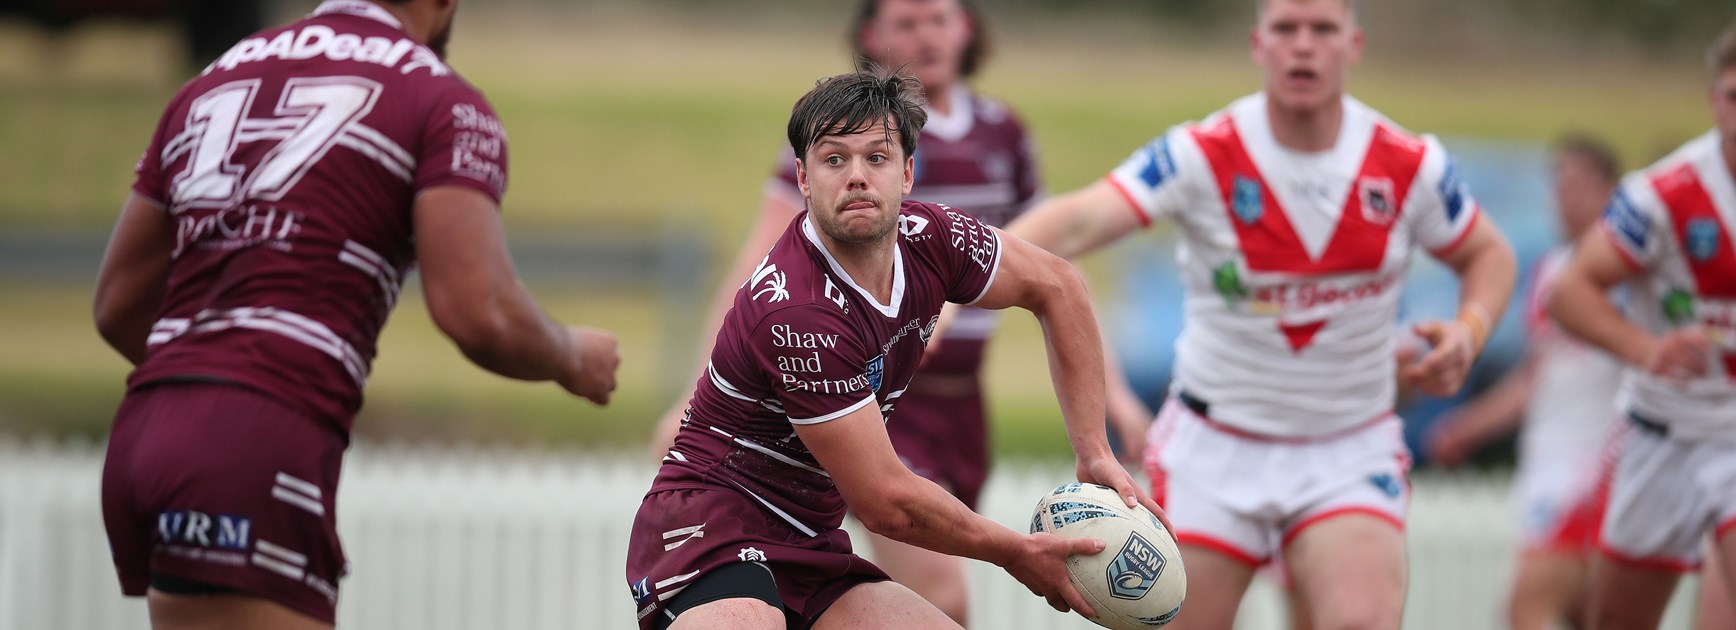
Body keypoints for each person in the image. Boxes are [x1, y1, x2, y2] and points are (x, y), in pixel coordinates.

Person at [92, 1, 621, 628]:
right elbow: (479, 312)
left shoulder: (218, 74)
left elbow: (119, 303)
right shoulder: (439, 98)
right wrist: (570, 357)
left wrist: (207, 390)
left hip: (145, 429)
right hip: (254, 444)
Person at [1004, 0, 1519, 627]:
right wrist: (963, 264)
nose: (1304, 45)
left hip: (1347, 445)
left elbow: (1488, 252)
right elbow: (1080, 218)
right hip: (1213, 447)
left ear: (1353, 46)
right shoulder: (1202, 152)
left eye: (1323, 29)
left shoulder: (1409, 163)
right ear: (1259, 45)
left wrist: (1471, 330)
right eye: (1286, 29)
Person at [648, 1, 1151, 622]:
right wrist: (1019, 552)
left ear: (909, 173)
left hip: (809, 538)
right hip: (711, 531)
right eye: (835, 159)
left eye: (877, 158)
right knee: (927, 589)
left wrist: (1094, 449)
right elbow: (887, 501)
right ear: (802, 180)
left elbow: (1059, 285)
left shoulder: (934, 236)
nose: (857, 176)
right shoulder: (798, 312)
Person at [1546, 22, 1736, 630]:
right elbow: (1568, 292)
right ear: (1714, 101)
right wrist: (1646, 348)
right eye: (1735, 96)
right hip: (1662, 433)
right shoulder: (1664, 194)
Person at [1424, 136, 1625, 630]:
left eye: (1579, 186)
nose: (1565, 198)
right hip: (1547, 460)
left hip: (1597, 466)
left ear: (1611, 192)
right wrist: (1467, 426)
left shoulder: (1631, 276)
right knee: (1588, 616)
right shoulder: (1550, 272)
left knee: (1527, 608)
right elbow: (1537, 376)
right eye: (1558, 185)